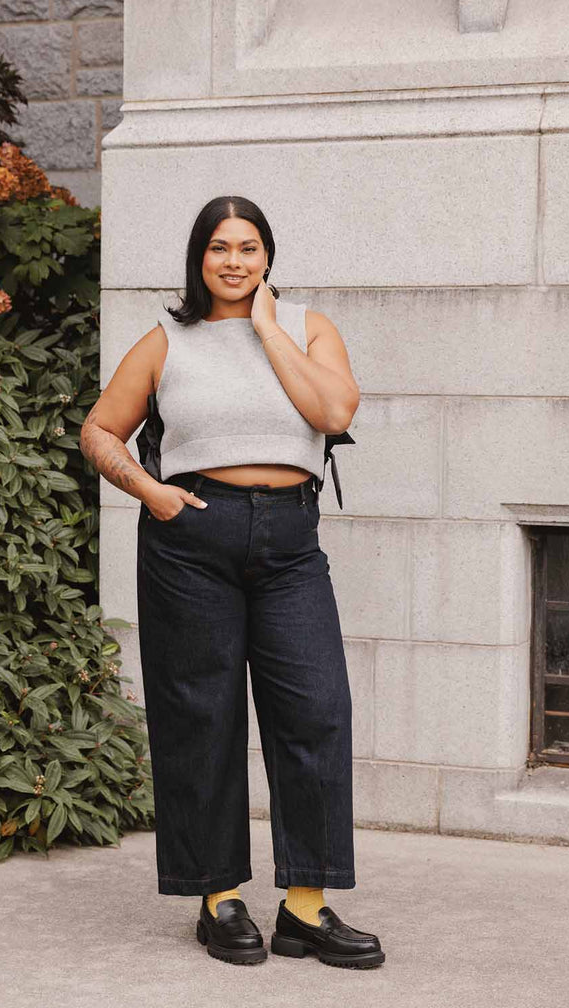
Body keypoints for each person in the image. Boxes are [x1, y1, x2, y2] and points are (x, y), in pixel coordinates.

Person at [80, 195, 385, 969]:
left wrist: (266, 330)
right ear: (199, 257)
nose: (234, 261)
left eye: (248, 247)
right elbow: (99, 429)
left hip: (288, 540)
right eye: (220, 247)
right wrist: (149, 490)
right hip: (191, 540)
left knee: (317, 709)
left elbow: (334, 407)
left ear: (267, 257)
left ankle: (306, 908)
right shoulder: (165, 342)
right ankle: (216, 896)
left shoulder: (307, 326)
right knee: (199, 715)